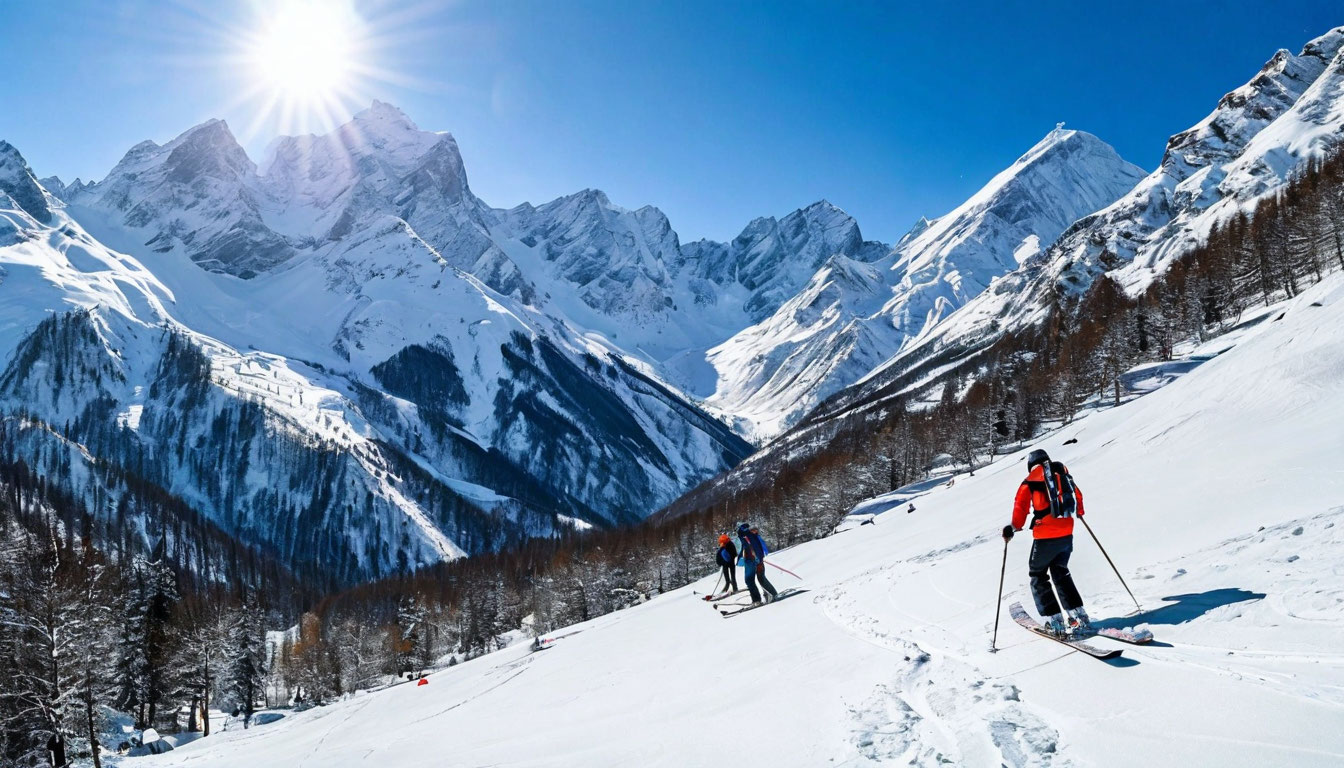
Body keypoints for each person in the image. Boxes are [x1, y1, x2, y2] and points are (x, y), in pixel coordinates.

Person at [1002, 449, 1090, 636]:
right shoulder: (1062, 474)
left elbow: (1020, 507)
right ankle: (1078, 615)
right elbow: (1077, 495)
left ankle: (1054, 620)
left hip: (1045, 536)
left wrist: (1012, 528)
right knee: (1061, 572)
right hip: (1067, 532)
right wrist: (1079, 513)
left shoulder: (1030, 481)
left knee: (1038, 574)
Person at [737, 522, 778, 604]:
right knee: (761, 578)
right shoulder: (753, 536)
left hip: (751, 561)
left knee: (750, 580)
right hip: (757, 560)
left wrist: (757, 559)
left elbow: (749, 545)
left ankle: (757, 600)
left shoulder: (746, 535)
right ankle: (772, 594)